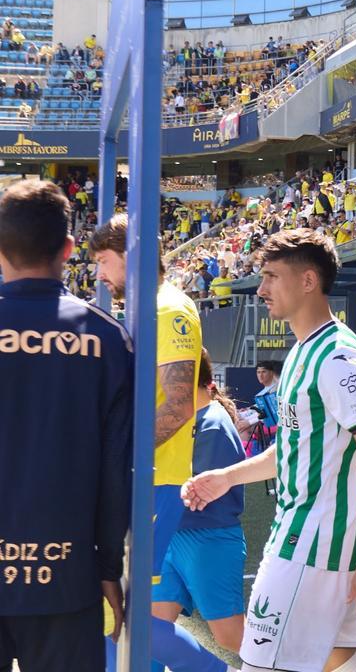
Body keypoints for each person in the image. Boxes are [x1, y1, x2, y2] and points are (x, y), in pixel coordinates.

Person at [182, 230, 356, 672]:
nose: (260, 289)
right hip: (308, 536)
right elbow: (293, 447)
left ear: (307, 281)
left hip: (312, 544)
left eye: (270, 277)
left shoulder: (337, 357)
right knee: (339, 662)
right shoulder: (303, 350)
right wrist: (227, 477)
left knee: (260, 666)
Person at [0, 180, 132, 672]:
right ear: (70, 248)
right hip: (67, 574)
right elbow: (117, 470)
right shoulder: (108, 337)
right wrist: (105, 567)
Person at [93, 214, 227, 672]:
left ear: (130, 256)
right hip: (139, 478)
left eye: (105, 261)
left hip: (150, 479)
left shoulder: (168, 307)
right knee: (125, 617)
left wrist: (108, 459)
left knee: (124, 620)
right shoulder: (145, 304)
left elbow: (175, 406)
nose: (100, 274)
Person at [154, 349, 247, 656]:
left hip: (208, 539)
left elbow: (193, 496)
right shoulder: (190, 419)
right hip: (174, 534)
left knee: (231, 636)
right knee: (150, 628)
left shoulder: (212, 424)